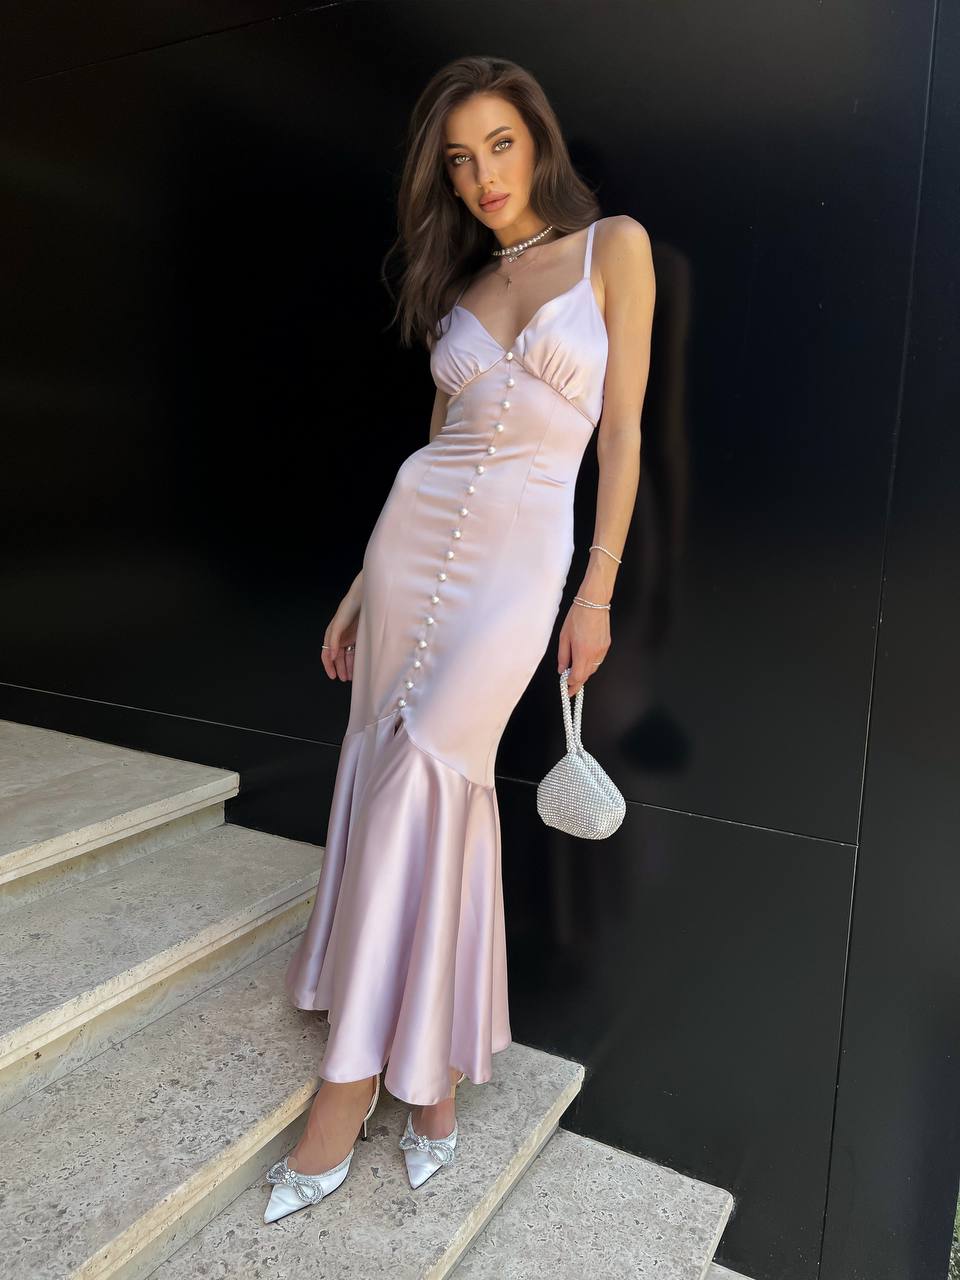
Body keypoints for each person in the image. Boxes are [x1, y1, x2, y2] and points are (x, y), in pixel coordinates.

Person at [263, 54, 655, 1223]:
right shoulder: (457, 290)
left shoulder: (612, 248)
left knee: (437, 770)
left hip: (522, 561)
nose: (481, 175)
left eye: (498, 144)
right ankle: (427, 1095)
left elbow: (623, 438)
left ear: (537, 142)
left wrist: (597, 593)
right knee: (400, 777)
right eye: (457, 158)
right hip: (411, 549)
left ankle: (350, 1085)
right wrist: (352, 589)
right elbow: (430, 455)